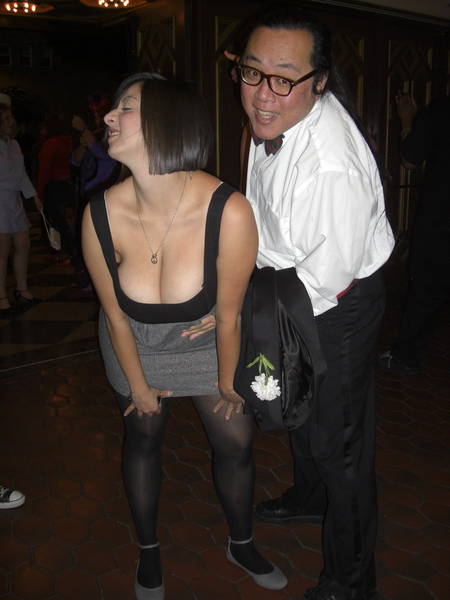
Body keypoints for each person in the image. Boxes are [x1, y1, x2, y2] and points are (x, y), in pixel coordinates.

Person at [81, 72, 287, 600]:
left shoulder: (227, 208)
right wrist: (139, 387)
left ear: (167, 123)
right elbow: (115, 316)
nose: (109, 116)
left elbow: (231, 315)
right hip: (133, 345)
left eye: (126, 107)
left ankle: (242, 542)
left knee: (236, 441)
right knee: (143, 436)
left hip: (209, 341)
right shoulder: (99, 213)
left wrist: (227, 383)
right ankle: (148, 550)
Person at [225, 3, 394, 599]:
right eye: (252, 72)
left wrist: (251, 317)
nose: (262, 94)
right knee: (299, 405)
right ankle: (309, 495)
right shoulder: (273, 117)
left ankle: (352, 581)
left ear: (319, 82)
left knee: (338, 443)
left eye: (284, 79)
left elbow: (328, 280)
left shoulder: (330, 166)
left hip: (335, 302)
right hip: (286, 280)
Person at [379, 91, 450, 373]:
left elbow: (409, 158)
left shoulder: (441, 110)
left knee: (426, 285)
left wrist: (409, 120)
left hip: (441, 217)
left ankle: (405, 356)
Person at [0, 98, 42, 318]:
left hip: (14, 200)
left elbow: (22, 173)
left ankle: (22, 290)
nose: (11, 121)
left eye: (11, 117)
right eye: (6, 118)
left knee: (23, 245)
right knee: (2, 252)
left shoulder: (14, 144)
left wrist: (34, 196)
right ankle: (1, 297)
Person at [37, 113, 75, 259]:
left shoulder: (50, 144)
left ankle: (60, 251)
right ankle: (70, 251)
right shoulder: (68, 142)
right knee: (65, 220)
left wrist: (39, 193)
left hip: (53, 187)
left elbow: (44, 171)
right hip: (67, 185)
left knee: (55, 222)